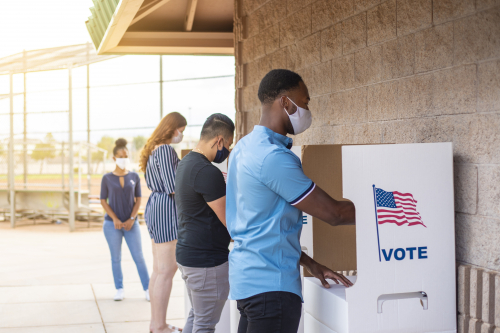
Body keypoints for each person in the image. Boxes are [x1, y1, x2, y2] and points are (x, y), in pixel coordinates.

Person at [226, 69, 356, 333]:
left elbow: (262, 227)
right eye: (305, 102)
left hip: (249, 284)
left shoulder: (243, 147)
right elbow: (334, 214)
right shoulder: (273, 157)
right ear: (285, 102)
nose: (307, 109)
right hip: (272, 292)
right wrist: (386, 207)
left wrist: (310, 263)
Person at [175, 114, 234, 333]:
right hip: (206, 262)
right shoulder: (208, 172)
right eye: (228, 144)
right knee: (205, 325)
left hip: (189, 255)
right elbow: (230, 221)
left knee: (197, 317)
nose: (227, 150)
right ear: (219, 140)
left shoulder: (186, 163)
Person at [140, 112, 187, 333]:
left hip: (156, 207)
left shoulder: (153, 150)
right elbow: (174, 187)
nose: (182, 135)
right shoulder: (166, 150)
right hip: (167, 209)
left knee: (159, 271)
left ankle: (156, 324)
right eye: (181, 130)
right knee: (167, 271)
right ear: (172, 128)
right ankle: (159, 326)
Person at [100, 138, 150, 302]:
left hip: (131, 224)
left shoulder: (134, 176)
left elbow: (138, 200)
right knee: (116, 258)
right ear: (114, 158)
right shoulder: (107, 178)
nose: (124, 159)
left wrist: (131, 219)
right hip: (111, 225)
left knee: (139, 257)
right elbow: (103, 200)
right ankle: (119, 289)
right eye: (121, 156)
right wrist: (114, 219)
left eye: (126, 156)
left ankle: (148, 288)